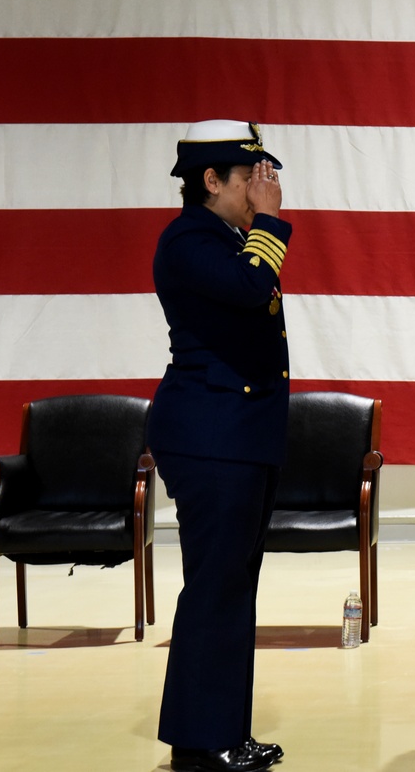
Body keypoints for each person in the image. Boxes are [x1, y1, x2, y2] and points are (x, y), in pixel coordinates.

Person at [148, 120, 291, 772]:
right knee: (216, 587)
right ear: (211, 180)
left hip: (238, 435)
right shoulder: (189, 239)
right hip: (211, 437)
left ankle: (222, 730)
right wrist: (272, 221)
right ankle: (201, 741)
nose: (263, 190)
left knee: (232, 587)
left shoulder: (225, 237)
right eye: (250, 179)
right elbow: (248, 287)